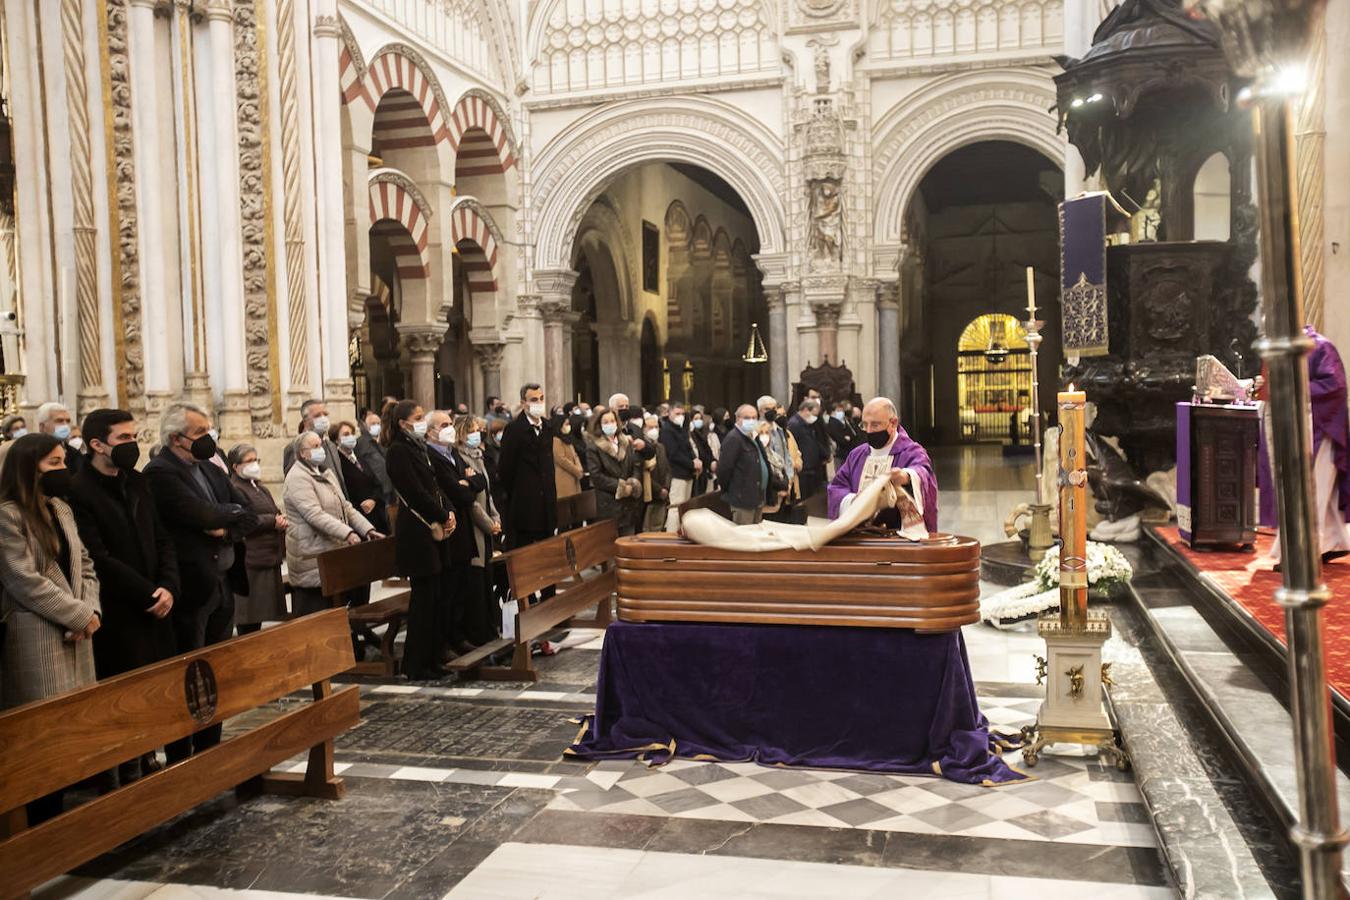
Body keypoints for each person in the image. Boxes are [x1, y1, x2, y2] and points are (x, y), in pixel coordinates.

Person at [68, 409, 179, 784]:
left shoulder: (136, 480)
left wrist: (168, 586)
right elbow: (98, 557)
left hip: (156, 604)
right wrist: (147, 592)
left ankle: (147, 758)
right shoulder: (78, 490)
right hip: (120, 609)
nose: (132, 444)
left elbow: (162, 537)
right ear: (97, 445)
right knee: (123, 698)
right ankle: (120, 777)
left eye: (134, 436)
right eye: (124, 439)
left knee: (153, 692)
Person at [144, 401, 258, 760]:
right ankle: (182, 755)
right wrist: (223, 518)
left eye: (209, 430)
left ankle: (210, 749)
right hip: (193, 587)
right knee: (189, 673)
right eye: (200, 433)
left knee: (216, 671)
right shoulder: (160, 472)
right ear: (176, 438)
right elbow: (199, 513)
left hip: (223, 580)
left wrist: (222, 528)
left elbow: (249, 513)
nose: (208, 438)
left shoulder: (209, 467)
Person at [0, 433, 100, 821]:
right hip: (35, 634)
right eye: (54, 464)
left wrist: (90, 612)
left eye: (63, 462)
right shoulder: (8, 515)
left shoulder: (61, 508)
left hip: (78, 632)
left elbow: (86, 564)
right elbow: (21, 578)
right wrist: (77, 615)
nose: (64, 470)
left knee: (74, 733)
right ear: (29, 469)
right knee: (42, 740)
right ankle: (42, 821)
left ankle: (65, 820)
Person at [1258, 326, 1350, 563]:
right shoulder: (1281, 350)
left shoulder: (1319, 346)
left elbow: (1336, 387)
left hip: (1319, 429)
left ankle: (1301, 554)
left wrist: (1291, 389)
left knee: (1310, 492)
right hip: (1291, 427)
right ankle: (1334, 540)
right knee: (1318, 495)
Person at [383, 400, 455, 680]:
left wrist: (447, 511)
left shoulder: (417, 447)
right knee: (424, 602)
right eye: (418, 417)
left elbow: (433, 486)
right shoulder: (398, 452)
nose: (422, 421)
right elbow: (414, 492)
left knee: (436, 598)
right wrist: (440, 513)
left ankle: (433, 657)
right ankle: (416, 664)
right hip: (417, 532)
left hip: (432, 529)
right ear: (403, 423)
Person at [284, 431, 378, 618]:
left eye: (321, 445)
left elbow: (346, 507)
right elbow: (314, 514)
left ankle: (351, 638)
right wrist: (348, 533)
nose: (321, 450)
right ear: (302, 453)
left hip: (331, 550)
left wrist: (367, 529)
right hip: (311, 553)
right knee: (318, 613)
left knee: (341, 605)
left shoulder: (326, 473)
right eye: (315, 447)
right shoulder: (297, 477)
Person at [426, 410, 491, 649]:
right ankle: (451, 639)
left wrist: (468, 482)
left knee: (462, 587)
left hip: (464, 530)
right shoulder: (432, 455)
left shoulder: (452, 451)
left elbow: (480, 483)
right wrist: (465, 483)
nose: (448, 428)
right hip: (452, 532)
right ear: (430, 431)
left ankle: (461, 635)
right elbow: (455, 492)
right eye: (443, 425)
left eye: (449, 424)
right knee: (451, 590)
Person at [828, 397, 938, 534]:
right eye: (864, 425)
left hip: (897, 541)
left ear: (893, 423)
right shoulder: (856, 455)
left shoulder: (911, 452)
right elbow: (837, 487)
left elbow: (923, 471)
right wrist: (852, 501)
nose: (868, 431)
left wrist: (907, 476)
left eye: (875, 425)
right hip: (859, 539)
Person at [226, 444, 287, 635]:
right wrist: (272, 521)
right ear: (235, 467)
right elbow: (244, 519)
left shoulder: (260, 487)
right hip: (251, 558)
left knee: (260, 615)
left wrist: (280, 518)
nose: (255, 465)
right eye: (249, 461)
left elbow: (272, 510)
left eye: (256, 460)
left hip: (268, 554)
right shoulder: (235, 488)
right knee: (249, 616)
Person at [456, 414, 502, 643]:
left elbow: (486, 491)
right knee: (476, 582)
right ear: (462, 433)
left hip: (486, 524)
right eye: (472, 429)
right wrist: (488, 523)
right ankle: (478, 634)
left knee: (487, 579)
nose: (477, 433)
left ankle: (489, 630)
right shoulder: (460, 458)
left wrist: (495, 517)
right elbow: (471, 500)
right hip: (474, 527)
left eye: (478, 429)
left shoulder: (478, 456)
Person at [497, 383, 556, 550]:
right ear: (523, 403)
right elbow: (505, 469)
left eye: (541, 399)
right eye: (534, 399)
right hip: (525, 504)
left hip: (546, 503)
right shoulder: (514, 430)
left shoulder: (547, 426)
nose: (539, 403)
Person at [586, 409, 641, 535]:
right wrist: (621, 487)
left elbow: (635, 466)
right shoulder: (594, 446)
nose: (610, 424)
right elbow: (596, 475)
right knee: (610, 546)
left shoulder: (626, 442)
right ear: (600, 425)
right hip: (609, 503)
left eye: (612, 420)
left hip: (628, 504)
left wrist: (632, 484)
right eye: (605, 422)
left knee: (628, 543)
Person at [333, 420, 390, 536]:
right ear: (336, 440)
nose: (351, 437)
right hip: (359, 518)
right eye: (345, 434)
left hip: (376, 513)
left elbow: (377, 484)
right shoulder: (338, 463)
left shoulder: (359, 458)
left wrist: (373, 500)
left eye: (352, 433)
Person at [717, 405, 771, 525]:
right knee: (745, 537)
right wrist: (733, 491)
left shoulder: (753, 436)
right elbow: (724, 470)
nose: (751, 421)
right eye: (747, 418)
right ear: (737, 419)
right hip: (742, 499)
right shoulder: (734, 438)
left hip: (757, 497)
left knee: (756, 537)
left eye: (754, 417)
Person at [281, 399, 346, 499]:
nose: (323, 418)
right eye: (317, 416)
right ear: (305, 421)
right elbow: (295, 487)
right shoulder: (294, 447)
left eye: (325, 414)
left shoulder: (331, 446)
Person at [758, 395, 801, 523]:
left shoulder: (780, 430)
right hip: (770, 487)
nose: (771, 411)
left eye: (773, 408)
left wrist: (788, 481)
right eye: (767, 409)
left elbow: (786, 458)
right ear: (760, 411)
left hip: (785, 483)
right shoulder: (758, 431)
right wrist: (778, 486)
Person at [788, 398, 830, 519]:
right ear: (806, 410)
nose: (814, 417)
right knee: (802, 501)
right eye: (813, 414)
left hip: (811, 468)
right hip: (803, 469)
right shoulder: (794, 424)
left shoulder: (806, 424)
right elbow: (792, 447)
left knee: (810, 500)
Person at [659, 403, 699, 530]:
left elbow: (687, 448)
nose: (680, 416)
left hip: (687, 473)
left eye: (682, 414)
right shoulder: (667, 430)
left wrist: (695, 460)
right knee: (675, 508)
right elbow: (673, 454)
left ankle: (682, 532)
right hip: (676, 474)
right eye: (677, 414)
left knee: (685, 508)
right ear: (669, 414)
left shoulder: (681, 429)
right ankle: (671, 535)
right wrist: (692, 463)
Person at [641, 413, 672, 533]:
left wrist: (666, 487)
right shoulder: (642, 448)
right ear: (644, 429)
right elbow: (644, 472)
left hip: (663, 494)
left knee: (659, 527)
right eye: (650, 427)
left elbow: (668, 469)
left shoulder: (661, 447)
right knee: (647, 528)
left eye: (656, 427)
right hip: (650, 494)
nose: (654, 430)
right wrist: (659, 490)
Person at [35, 401, 84, 474]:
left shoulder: (74, 453)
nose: (65, 425)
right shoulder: (32, 451)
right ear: (42, 427)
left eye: (68, 421)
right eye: (59, 421)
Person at [552, 410, 585, 499]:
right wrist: (577, 471)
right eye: (566, 424)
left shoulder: (567, 439)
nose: (568, 426)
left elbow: (575, 456)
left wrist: (579, 468)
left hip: (574, 477)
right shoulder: (556, 440)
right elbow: (562, 460)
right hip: (564, 478)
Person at [827, 400, 862, 467]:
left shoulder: (843, 421)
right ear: (833, 411)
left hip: (847, 452)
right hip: (840, 454)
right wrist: (845, 438)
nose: (841, 413)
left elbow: (852, 435)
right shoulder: (833, 423)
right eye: (839, 411)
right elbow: (841, 439)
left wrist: (848, 437)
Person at [689, 406, 714, 495]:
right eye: (695, 419)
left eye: (700, 418)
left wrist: (712, 461)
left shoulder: (701, 434)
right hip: (695, 473)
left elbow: (706, 449)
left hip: (704, 471)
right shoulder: (690, 434)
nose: (699, 421)